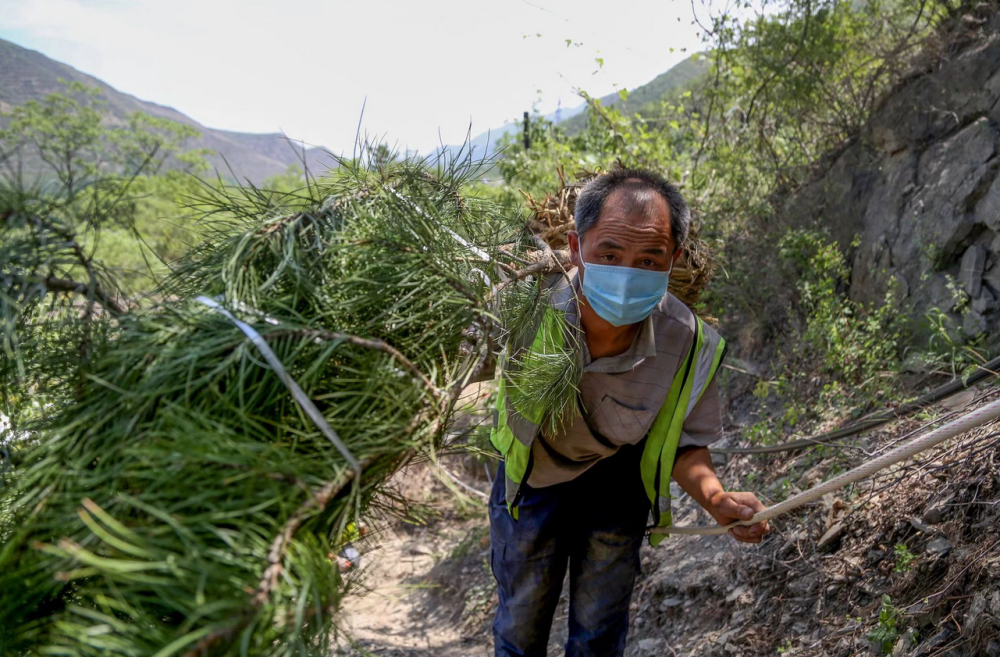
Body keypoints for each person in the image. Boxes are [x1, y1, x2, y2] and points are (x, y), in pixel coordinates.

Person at [488, 168, 770, 657]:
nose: (627, 274)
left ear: (673, 260)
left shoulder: (688, 341)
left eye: (648, 259)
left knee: (599, 635)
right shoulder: (525, 311)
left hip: (619, 486)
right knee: (519, 628)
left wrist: (716, 498)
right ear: (577, 248)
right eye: (611, 255)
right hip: (532, 482)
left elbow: (684, 444)